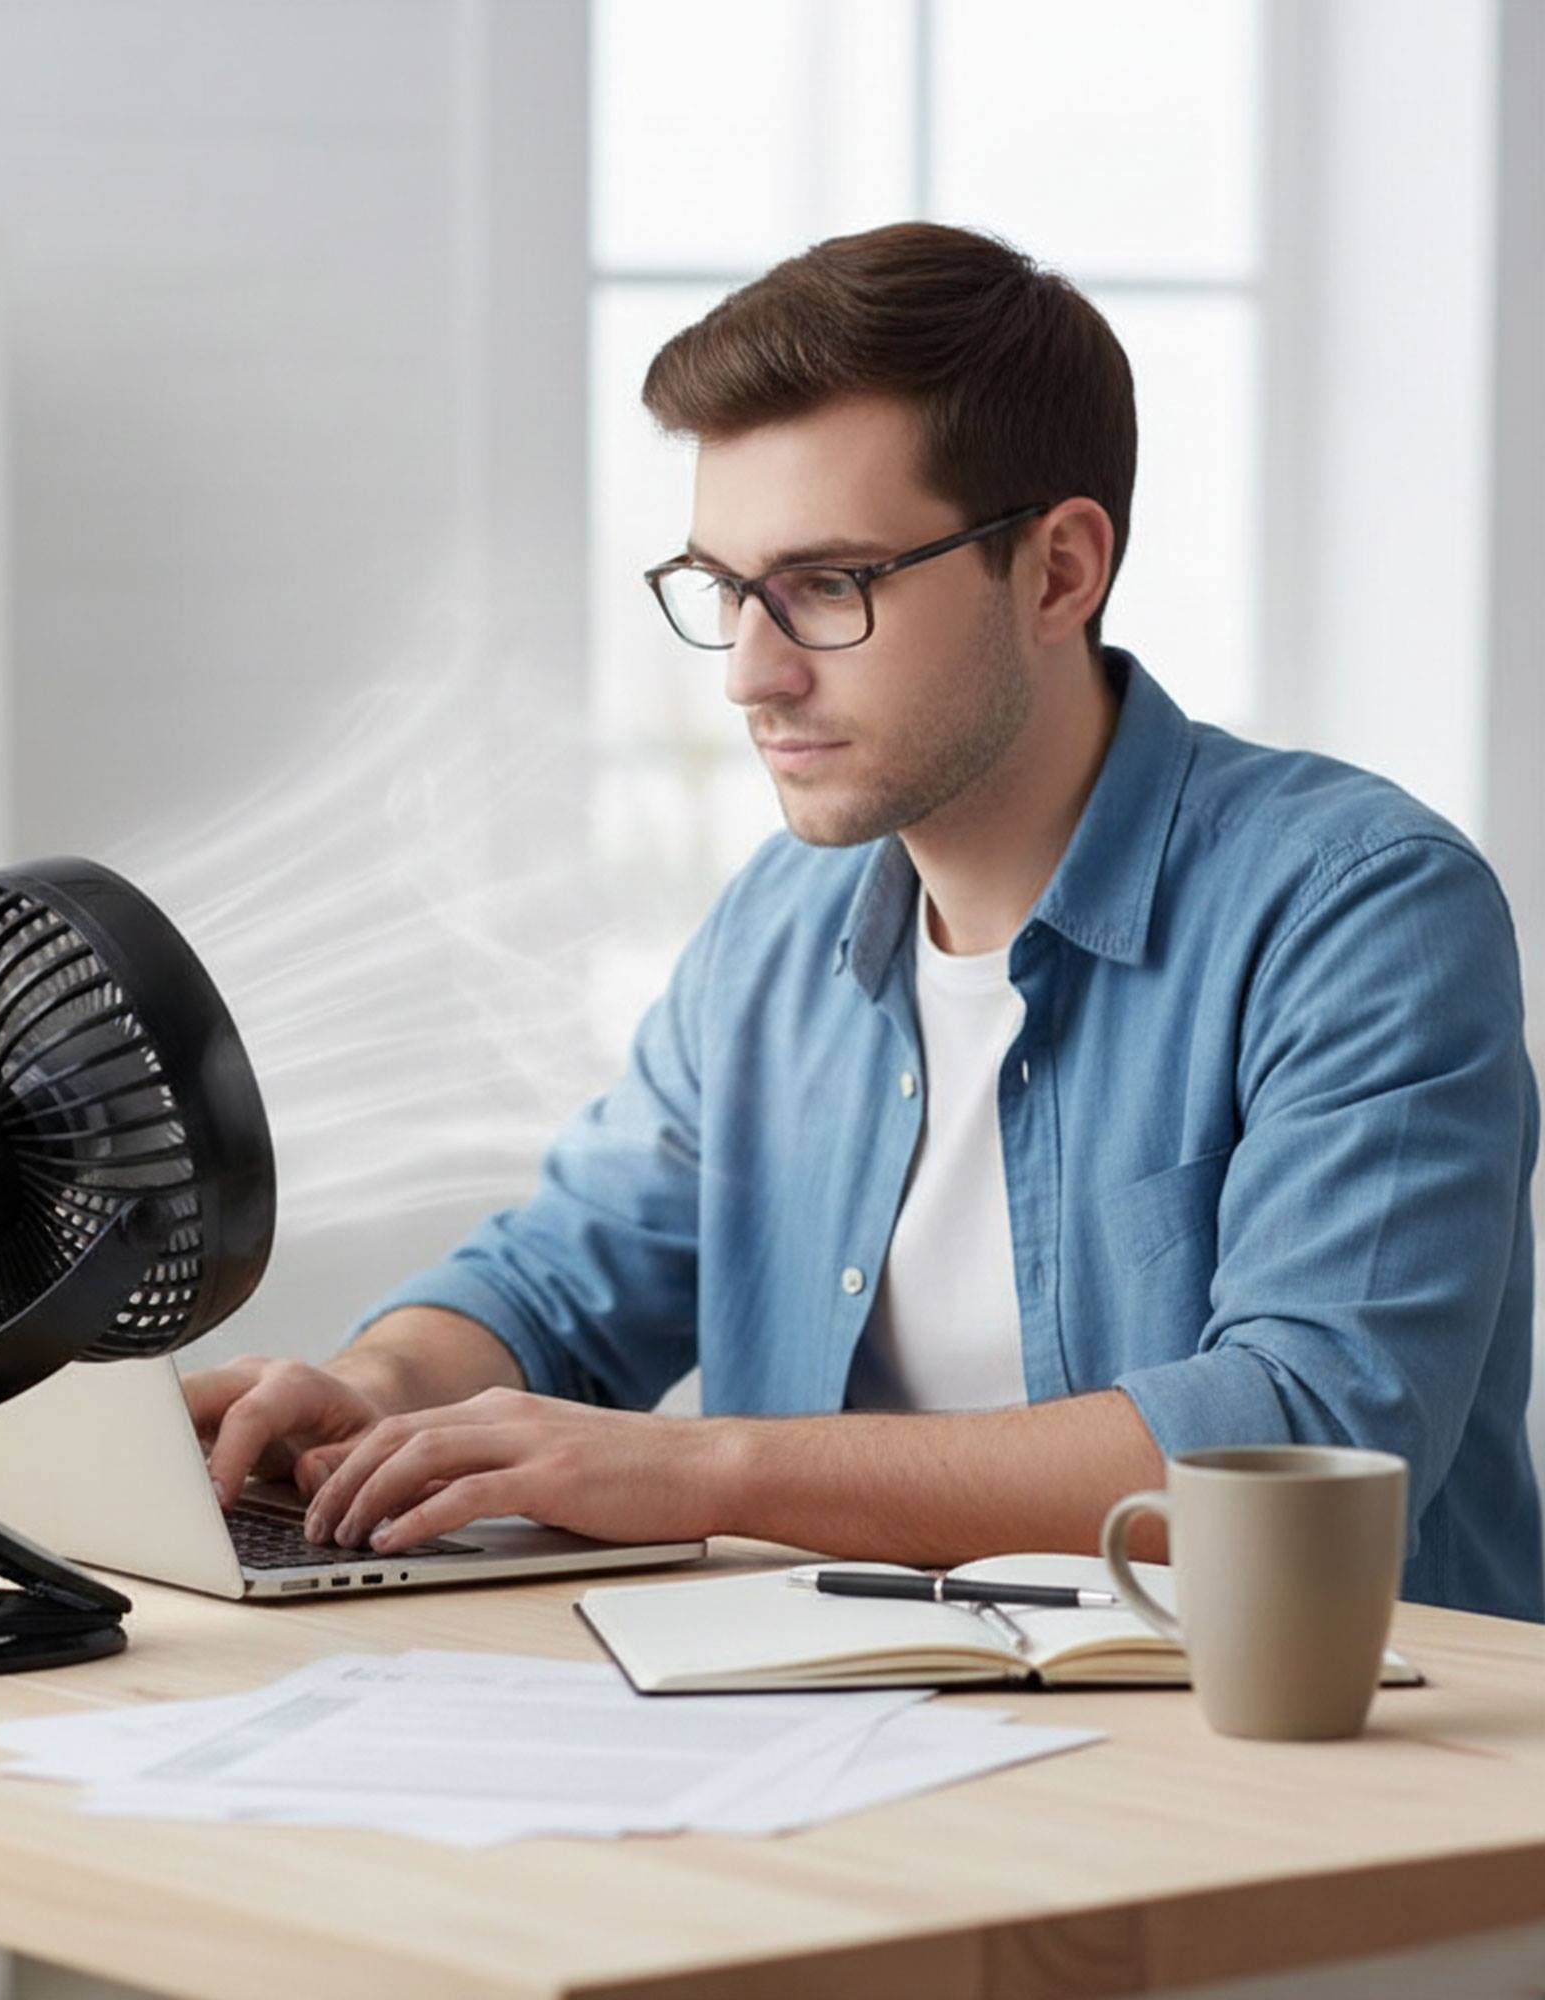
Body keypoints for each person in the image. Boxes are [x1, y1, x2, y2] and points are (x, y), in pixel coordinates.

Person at [182, 221, 1543, 1622]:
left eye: (828, 585)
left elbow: (1304, 1439)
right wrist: (375, 1387)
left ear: (1061, 571)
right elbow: (558, 1285)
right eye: (724, 591)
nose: (751, 677)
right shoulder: (781, 927)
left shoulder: (1358, 904)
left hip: (1301, 1774)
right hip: (851, 1734)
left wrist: (705, 1468)